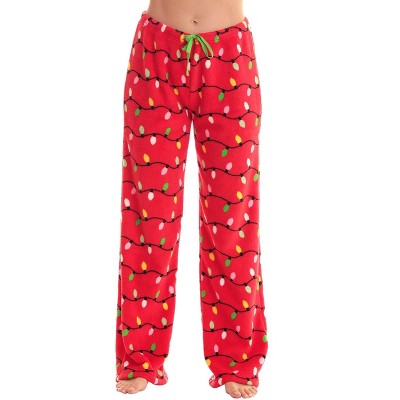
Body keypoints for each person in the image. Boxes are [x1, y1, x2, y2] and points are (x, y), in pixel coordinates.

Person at [115, 0, 268, 398]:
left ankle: (236, 358)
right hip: (156, 54)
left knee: (232, 217)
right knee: (149, 218)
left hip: (230, 57)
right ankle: (140, 357)